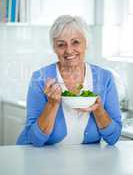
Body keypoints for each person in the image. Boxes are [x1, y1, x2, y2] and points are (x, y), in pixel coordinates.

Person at [17, 15, 122, 147]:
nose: (69, 50)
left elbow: (114, 138)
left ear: (86, 43)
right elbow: (35, 140)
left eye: (75, 42)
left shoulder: (105, 78)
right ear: (54, 48)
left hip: (85, 162)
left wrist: (98, 109)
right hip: (42, 161)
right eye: (61, 44)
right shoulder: (40, 78)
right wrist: (52, 105)